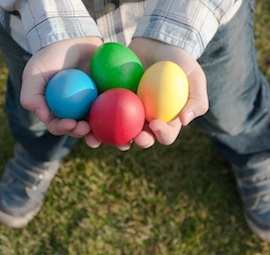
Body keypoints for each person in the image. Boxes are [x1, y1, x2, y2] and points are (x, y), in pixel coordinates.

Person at [0, 0, 269, 242]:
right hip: (38, 26)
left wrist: (180, 23)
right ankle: (38, 152)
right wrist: (55, 22)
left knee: (233, 107)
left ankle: (253, 154)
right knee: (39, 114)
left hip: (198, 18)